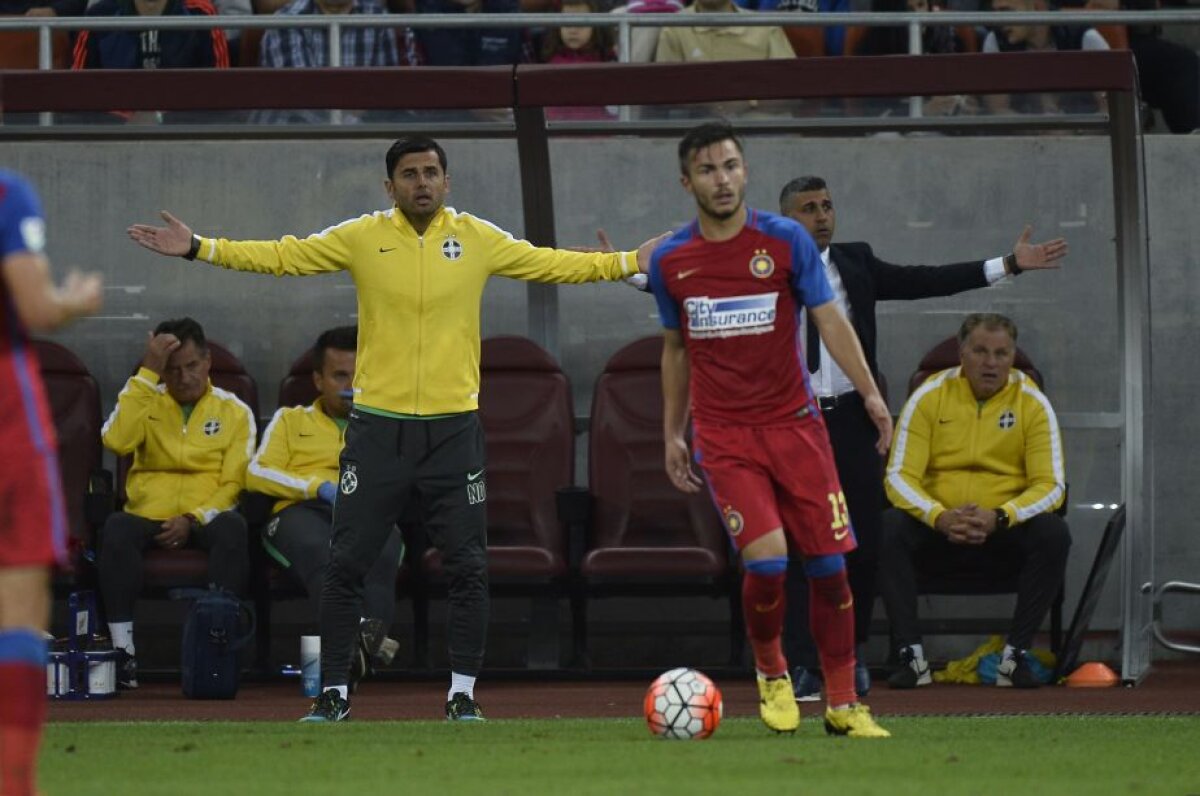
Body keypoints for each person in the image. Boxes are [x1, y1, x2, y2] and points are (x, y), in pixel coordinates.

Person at [126, 134, 661, 723]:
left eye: (431, 172)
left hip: (453, 431)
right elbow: (282, 256)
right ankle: (333, 694)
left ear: (447, 181)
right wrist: (200, 247)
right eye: (409, 174)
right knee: (345, 562)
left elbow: (552, 262)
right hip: (378, 432)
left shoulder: (477, 238)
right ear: (390, 187)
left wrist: (630, 262)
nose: (422, 183)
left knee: (468, 565)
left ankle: (461, 694)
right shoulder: (363, 237)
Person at [776, 175, 1067, 702]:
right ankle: (800, 665)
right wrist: (633, 271)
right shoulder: (764, 266)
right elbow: (704, 286)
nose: (822, 215)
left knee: (859, 548)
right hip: (791, 420)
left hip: (849, 420)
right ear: (784, 220)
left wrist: (1009, 264)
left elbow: (927, 279)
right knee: (800, 546)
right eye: (808, 208)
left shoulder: (855, 262)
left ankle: (849, 656)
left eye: (827, 205)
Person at [649, 122, 891, 738]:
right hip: (726, 437)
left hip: (796, 428)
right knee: (767, 564)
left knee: (831, 568)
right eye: (707, 170)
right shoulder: (672, 260)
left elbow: (829, 320)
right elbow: (675, 350)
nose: (721, 179)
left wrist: (869, 393)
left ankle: (843, 703)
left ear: (745, 171)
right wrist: (672, 433)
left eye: (730, 166)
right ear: (687, 182)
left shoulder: (784, 240)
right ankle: (773, 673)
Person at [878, 312, 1070, 689]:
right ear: (962, 354)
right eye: (980, 351)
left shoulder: (1033, 402)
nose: (991, 363)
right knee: (888, 527)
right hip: (937, 531)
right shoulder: (929, 396)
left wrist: (1000, 516)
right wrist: (939, 516)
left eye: (1001, 353)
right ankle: (912, 659)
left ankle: (1014, 659)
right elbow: (898, 477)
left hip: (1002, 532)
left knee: (1053, 532)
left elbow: (1052, 486)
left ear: (1012, 356)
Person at [0, 170, 102, 796]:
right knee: (17, 614)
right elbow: (36, 308)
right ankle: (15, 784)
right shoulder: (9, 194)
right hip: (6, 411)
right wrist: (74, 298)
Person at [98, 317, 255, 689]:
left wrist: (192, 518)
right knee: (116, 527)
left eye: (192, 366)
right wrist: (147, 374)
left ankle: (217, 644)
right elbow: (116, 442)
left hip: (206, 516)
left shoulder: (235, 411)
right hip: (146, 513)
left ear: (207, 363)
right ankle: (124, 654)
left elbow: (234, 483)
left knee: (234, 528)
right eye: (173, 369)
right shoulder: (144, 397)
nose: (184, 377)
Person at [246, 325, 404, 681]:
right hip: (298, 513)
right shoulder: (290, 420)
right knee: (325, 551)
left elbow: (405, 477)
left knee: (381, 550)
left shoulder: (386, 424)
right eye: (339, 376)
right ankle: (354, 647)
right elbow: (256, 473)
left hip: (365, 511)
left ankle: (358, 654)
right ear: (318, 380)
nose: (350, 386)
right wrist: (318, 488)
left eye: (358, 375)